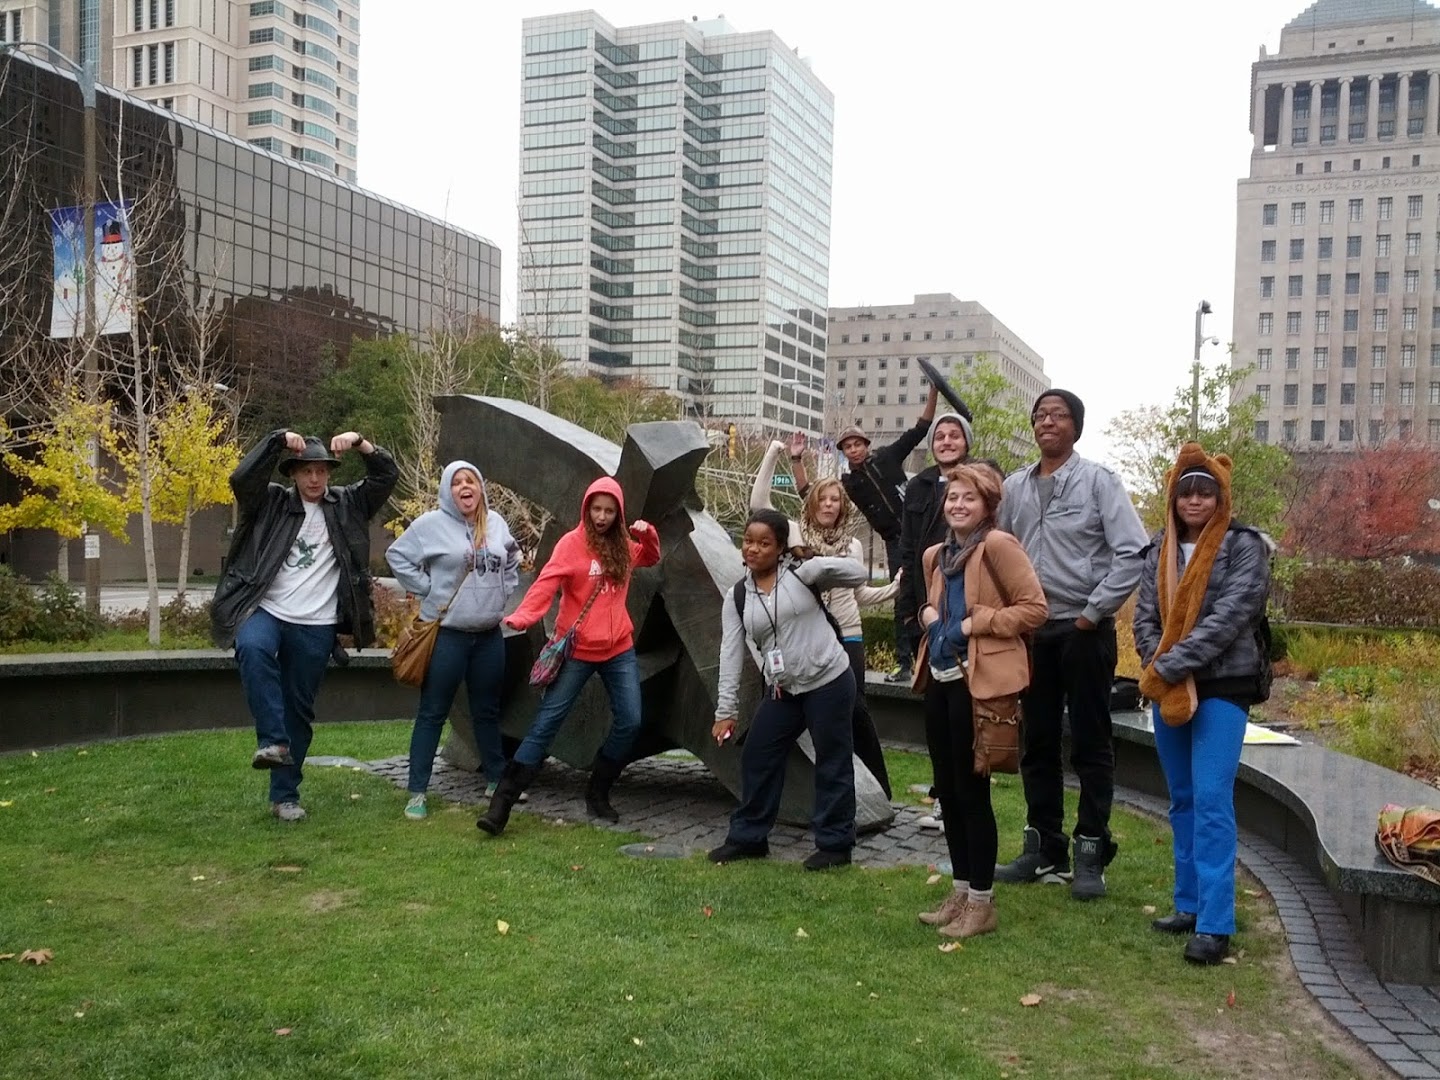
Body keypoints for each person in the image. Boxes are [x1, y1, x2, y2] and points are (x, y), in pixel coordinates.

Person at [995, 390, 1148, 899]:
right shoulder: (1014, 487)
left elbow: (1134, 551)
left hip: (1083, 632)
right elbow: (996, 551)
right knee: (1036, 742)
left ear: (1075, 427)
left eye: (1058, 416)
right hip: (1032, 634)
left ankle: (1090, 851)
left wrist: (1093, 612)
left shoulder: (1099, 481)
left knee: (1090, 742)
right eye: (1040, 415)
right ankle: (1044, 848)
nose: (1047, 422)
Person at [211, 429, 398, 822]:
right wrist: (275, 441)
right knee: (252, 647)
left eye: (322, 471)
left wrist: (361, 443)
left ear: (330, 473)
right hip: (267, 609)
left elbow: (385, 476)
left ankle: (285, 797)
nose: (315, 479)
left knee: (299, 710)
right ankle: (273, 741)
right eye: (307, 471)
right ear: (293, 474)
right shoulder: (271, 503)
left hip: (317, 623)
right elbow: (242, 479)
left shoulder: (348, 504)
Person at [1134, 444, 1271, 965]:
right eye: (1185, 492)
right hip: (1169, 685)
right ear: (1173, 498)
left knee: (1212, 798)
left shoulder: (1245, 546)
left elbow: (1232, 615)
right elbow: (1145, 616)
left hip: (1224, 684)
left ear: (1221, 498)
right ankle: (1188, 904)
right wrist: (1158, 663)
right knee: (1183, 798)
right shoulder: (1159, 548)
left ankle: (1215, 923)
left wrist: (1169, 664)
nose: (1194, 501)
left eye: (1205, 492)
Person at [478, 477, 660, 836]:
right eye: (597, 509)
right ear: (586, 509)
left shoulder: (624, 546)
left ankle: (598, 791)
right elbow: (545, 584)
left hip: (618, 649)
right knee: (547, 723)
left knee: (630, 721)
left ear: (619, 514)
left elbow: (651, 556)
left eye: (610, 511)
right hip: (576, 650)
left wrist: (648, 534)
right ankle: (501, 804)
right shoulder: (570, 544)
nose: (602, 517)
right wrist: (523, 616)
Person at [916, 465, 1047, 938]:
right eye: (953, 497)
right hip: (939, 679)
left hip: (979, 684)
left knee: (973, 793)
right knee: (948, 791)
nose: (958, 505)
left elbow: (1035, 608)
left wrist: (978, 623)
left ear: (988, 505)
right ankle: (960, 890)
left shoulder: (998, 546)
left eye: (968, 498)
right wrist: (929, 615)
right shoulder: (937, 555)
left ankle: (981, 902)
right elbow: (936, 607)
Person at [709, 508, 868, 870]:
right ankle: (749, 838)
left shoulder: (802, 575)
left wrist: (816, 560)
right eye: (748, 541)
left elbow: (858, 574)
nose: (753, 549)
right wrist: (726, 710)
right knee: (757, 754)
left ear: (781, 547)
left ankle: (835, 845)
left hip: (829, 681)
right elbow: (730, 653)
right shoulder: (738, 596)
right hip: (784, 690)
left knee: (832, 760)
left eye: (764, 543)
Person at [750, 440, 901, 798]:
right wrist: (774, 453)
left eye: (835, 499)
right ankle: (799, 783)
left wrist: (893, 590)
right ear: (812, 503)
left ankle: (877, 787)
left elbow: (859, 595)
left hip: (847, 635)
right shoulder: (794, 534)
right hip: (807, 635)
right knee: (800, 710)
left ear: (842, 506)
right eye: (823, 498)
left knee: (856, 710)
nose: (829, 504)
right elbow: (759, 503)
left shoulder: (853, 546)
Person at [385, 461, 521, 820]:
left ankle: (496, 779)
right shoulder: (430, 525)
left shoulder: (496, 523)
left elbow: (512, 558)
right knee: (433, 712)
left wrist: (504, 592)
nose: (465, 487)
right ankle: (417, 791)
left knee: (487, 711)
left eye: (471, 481)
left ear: (480, 488)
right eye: (457, 482)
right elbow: (397, 555)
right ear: (448, 490)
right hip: (447, 635)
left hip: (488, 636)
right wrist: (427, 589)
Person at [791, 385, 940, 681]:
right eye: (848, 446)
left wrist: (934, 390)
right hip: (896, 542)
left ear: (866, 444)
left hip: (922, 531)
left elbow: (920, 429)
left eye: (857, 443)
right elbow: (810, 495)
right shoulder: (848, 483)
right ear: (844, 452)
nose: (853, 449)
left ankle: (939, 655)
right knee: (903, 597)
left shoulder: (888, 457)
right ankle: (905, 663)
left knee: (937, 591)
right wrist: (796, 460)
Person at [894, 410, 974, 684]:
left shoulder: (983, 478)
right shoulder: (918, 485)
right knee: (933, 693)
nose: (946, 442)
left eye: (954, 435)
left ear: (966, 442)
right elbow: (907, 550)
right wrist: (908, 612)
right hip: (926, 601)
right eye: (939, 437)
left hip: (967, 602)